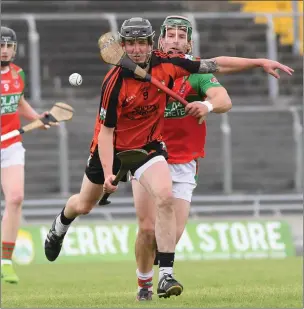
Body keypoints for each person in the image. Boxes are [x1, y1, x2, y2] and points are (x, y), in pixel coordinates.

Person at [43, 17, 293, 300]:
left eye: (141, 43)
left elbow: (215, 64)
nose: (136, 50)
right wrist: (110, 171)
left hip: (147, 148)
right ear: (124, 46)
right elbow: (105, 132)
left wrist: (258, 62)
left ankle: (164, 277)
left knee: (164, 199)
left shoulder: (169, 65)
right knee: (84, 204)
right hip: (113, 147)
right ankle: (60, 226)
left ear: (151, 44)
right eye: (131, 44)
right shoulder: (114, 82)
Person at [132, 15, 233, 301]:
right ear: (160, 41)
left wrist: (206, 104)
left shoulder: (197, 72)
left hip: (185, 161)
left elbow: (224, 99)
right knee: (148, 228)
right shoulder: (147, 69)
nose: (175, 41)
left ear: (189, 42)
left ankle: (156, 265)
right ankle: (145, 286)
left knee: (171, 236)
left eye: (181, 36)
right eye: (170, 35)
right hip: (147, 155)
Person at [1, 26, 56, 284]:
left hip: (11, 144)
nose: (4, 50)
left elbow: (18, 101)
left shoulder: (17, 74)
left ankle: (5, 262)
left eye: (8, 45)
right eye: (0, 45)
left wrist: (36, 117)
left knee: (16, 198)